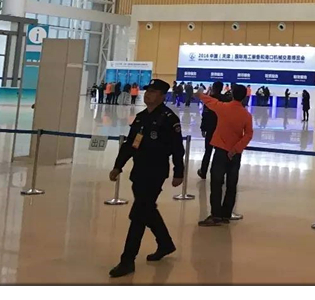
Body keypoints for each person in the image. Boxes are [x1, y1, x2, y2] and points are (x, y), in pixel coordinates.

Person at [107, 79, 185, 278]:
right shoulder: (141, 118)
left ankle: (127, 260)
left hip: (155, 173)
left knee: (138, 215)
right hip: (139, 171)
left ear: (162, 96)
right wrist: (118, 166)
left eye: (153, 91)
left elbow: (177, 148)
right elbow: (130, 144)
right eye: (148, 90)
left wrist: (179, 171)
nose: (148, 94)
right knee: (147, 209)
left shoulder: (169, 119)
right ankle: (165, 243)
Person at [196, 84, 254, 226]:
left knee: (216, 182)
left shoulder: (223, 107)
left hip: (221, 150)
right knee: (231, 184)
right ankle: (226, 214)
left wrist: (200, 94)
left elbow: (210, 101)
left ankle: (216, 215)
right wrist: (236, 149)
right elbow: (248, 134)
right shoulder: (246, 115)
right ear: (244, 97)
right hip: (235, 154)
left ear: (232, 94)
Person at [198, 81, 222, 180]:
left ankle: (203, 171)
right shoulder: (225, 100)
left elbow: (205, 115)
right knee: (220, 152)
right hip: (221, 129)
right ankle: (218, 174)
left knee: (208, 151)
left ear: (213, 88)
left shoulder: (209, 100)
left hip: (210, 129)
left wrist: (203, 128)